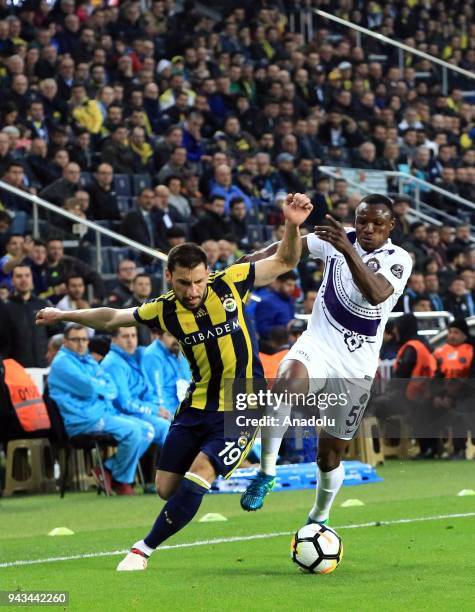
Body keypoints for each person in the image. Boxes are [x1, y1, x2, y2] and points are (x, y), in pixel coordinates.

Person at [36, 192, 312, 571]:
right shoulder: (163, 308)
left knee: (200, 473)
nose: (194, 291)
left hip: (243, 401)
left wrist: (292, 225)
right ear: (169, 277)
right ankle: (227, 479)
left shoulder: (231, 282)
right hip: (196, 404)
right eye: (184, 283)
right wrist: (64, 315)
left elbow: (285, 259)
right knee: (167, 488)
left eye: (198, 282)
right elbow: (112, 318)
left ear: (207, 273)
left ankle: (142, 550)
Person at [239, 194, 413, 526]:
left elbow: (375, 293)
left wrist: (346, 250)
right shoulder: (335, 237)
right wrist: (234, 271)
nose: (368, 228)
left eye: (378, 223)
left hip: (356, 366)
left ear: (391, 226)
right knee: (284, 386)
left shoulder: (398, 258)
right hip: (318, 343)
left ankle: (318, 516)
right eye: (362, 221)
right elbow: (277, 254)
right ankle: (266, 473)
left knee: (329, 454)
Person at [48, 324, 154, 495]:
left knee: (148, 430)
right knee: (134, 430)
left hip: (102, 414)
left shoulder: (87, 359)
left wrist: (98, 386)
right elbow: (88, 387)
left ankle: (109, 471)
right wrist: (99, 385)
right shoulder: (62, 362)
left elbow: (111, 388)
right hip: (82, 419)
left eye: (84, 339)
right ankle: (121, 482)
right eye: (76, 340)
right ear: (66, 342)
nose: (81, 344)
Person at [101, 326, 171, 447]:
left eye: (133, 336)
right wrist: (154, 410)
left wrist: (157, 407)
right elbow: (125, 403)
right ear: (114, 339)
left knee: (179, 424)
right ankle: (112, 466)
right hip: (123, 414)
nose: (131, 340)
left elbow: (149, 390)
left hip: (139, 411)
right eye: (125, 336)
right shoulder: (113, 363)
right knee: (167, 428)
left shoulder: (138, 356)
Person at [142, 328, 191, 416]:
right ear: (160, 336)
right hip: (169, 411)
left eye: (178, 334)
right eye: (170, 335)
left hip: (185, 406)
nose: (176, 339)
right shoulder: (152, 355)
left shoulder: (181, 350)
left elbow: (188, 381)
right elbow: (155, 392)